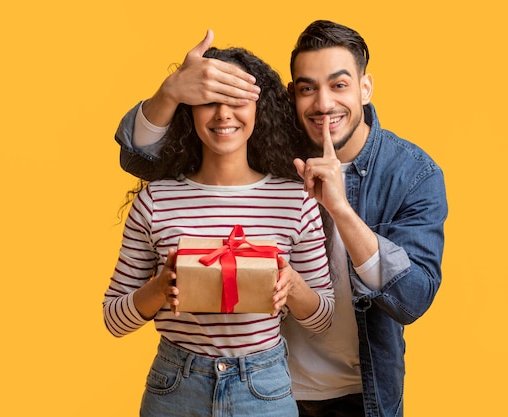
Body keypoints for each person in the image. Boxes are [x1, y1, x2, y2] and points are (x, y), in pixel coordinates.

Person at [113, 21, 448, 417]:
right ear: (291, 95)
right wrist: (171, 92)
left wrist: (341, 209)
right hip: (266, 382)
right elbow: (140, 158)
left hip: (360, 391)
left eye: (339, 85)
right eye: (307, 88)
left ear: (365, 87)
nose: (323, 104)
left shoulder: (410, 173)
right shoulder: (270, 143)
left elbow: (413, 297)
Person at [103, 46, 335, 417]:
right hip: (174, 388)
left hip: (263, 389)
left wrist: (291, 285)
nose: (224, 114)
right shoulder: (155, 201)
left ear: (259, 109)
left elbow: (323, 317)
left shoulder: (295, 200)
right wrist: (161, 287)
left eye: (238, 100)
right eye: (210, 101)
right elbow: (114, 319)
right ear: (190, 109)